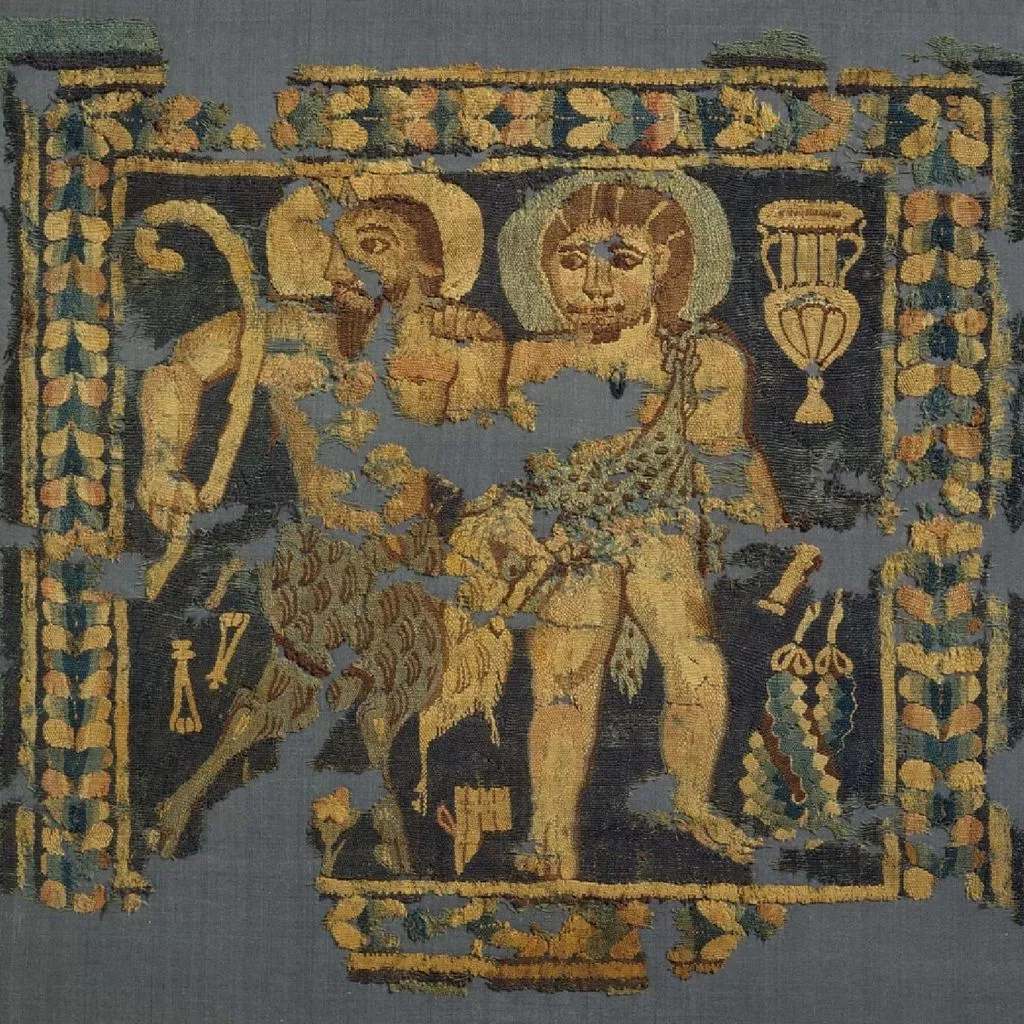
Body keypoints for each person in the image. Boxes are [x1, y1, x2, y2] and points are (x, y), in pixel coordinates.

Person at [482, 171, 785, 877]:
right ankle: (551, 834)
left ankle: (693, 802)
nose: (594, 283)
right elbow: (500, 461)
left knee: (696, 662)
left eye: (621, 261)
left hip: (660, 528)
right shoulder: (529, 360)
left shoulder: (702, 357)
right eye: (571, 261)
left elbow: (725, 454)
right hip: (568, 538)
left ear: (666, 267)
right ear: (542, 271)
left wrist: (770, 526)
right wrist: (515, 528)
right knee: (564, 678)